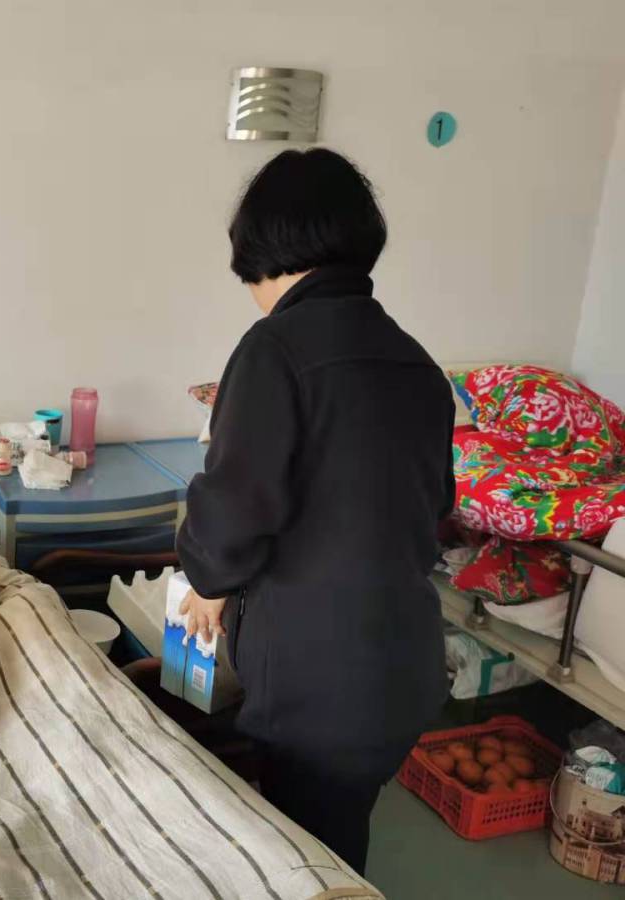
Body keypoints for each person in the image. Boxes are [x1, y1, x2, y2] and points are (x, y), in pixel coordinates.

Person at [175, 148, 454, 875]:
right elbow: (436, 504)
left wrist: (205, 582)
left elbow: (235, 507)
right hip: (405, 663)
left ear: (263, 252)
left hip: (318, 678)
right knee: (338, 824)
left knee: (306, 854)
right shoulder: (415, 359)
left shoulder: (274, 348)